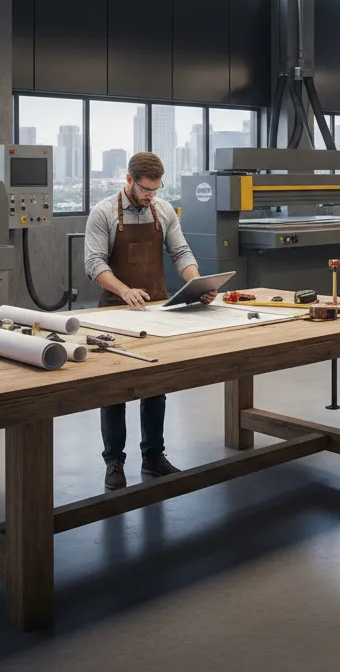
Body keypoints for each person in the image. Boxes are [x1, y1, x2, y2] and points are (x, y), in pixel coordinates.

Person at [84, 151, 217, 491]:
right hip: (113, 310)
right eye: (145, 190)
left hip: (156, 310)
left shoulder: (163, 210)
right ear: (128, 180)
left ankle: (153, 458)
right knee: (114, 390)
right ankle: (114, 461)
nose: (150, 197)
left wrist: (196, 282)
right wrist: (124, 289)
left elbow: (181, 252)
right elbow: (94, 263)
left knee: (156, 386)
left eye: (155, 190)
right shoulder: (102, 214)